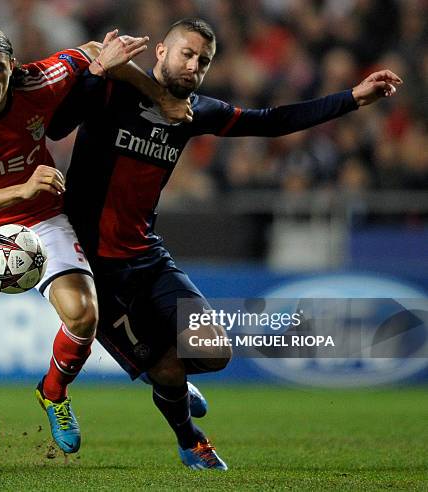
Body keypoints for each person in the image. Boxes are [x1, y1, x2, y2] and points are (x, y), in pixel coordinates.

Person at [47, 17, 403, 470]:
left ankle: (170, 386)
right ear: (160, 51)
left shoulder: (197, 112)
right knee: (168, 369)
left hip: (147, 255)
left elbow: (271, 122)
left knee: (212, 351)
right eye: (187, 54)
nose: (193, 66)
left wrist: (352, 98)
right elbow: (59, 126)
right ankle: (189, 438)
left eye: (203, 61)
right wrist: (97, 71)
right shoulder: (115, 89)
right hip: (93, 267)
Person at [0, 24, 188, 469]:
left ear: (13, 65)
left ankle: (53, 393)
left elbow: (95, 51)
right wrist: (25, 187)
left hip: (40, 219)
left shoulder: (39, 79)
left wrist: (159, 95)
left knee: (84, 313)